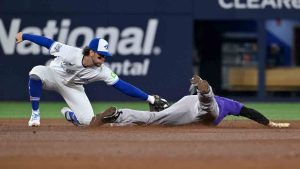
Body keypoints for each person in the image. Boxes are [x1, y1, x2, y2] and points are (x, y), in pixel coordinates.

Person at [15, 32, 169, 127]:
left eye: (105, 56)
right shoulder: (70, 53)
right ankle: (35, 114)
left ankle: (72, 116)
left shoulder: (102, 71)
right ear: (91, 52)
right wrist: (25, 36)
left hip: (73, 88)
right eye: (100, 55)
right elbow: (47, 42)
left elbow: (123, 86)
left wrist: (149, 98)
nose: (103, 59)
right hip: (53, 76)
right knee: (35, 73)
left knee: (89, 122)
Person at [89, 75, 290, 128]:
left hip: (186, 107)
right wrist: (269, 123)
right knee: (208, 108)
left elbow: (248, 111)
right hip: (203, 108)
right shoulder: (227, 103)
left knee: (154, 118)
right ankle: (206, 90)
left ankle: (117, 114)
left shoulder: (187, 98)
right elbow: (248, 111)